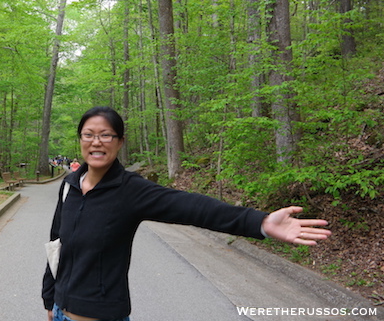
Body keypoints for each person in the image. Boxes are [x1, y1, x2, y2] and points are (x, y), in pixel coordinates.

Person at [42, 106, 331, 321]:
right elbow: (57, 244)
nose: (96, 142)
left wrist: (262, 222)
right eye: (89, 135)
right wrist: (49, 299)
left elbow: (193, 207)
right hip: (59, 312)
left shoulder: (130, 190)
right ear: (80, 140)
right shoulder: (70, 186)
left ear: (119, 142)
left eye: (106, 135)